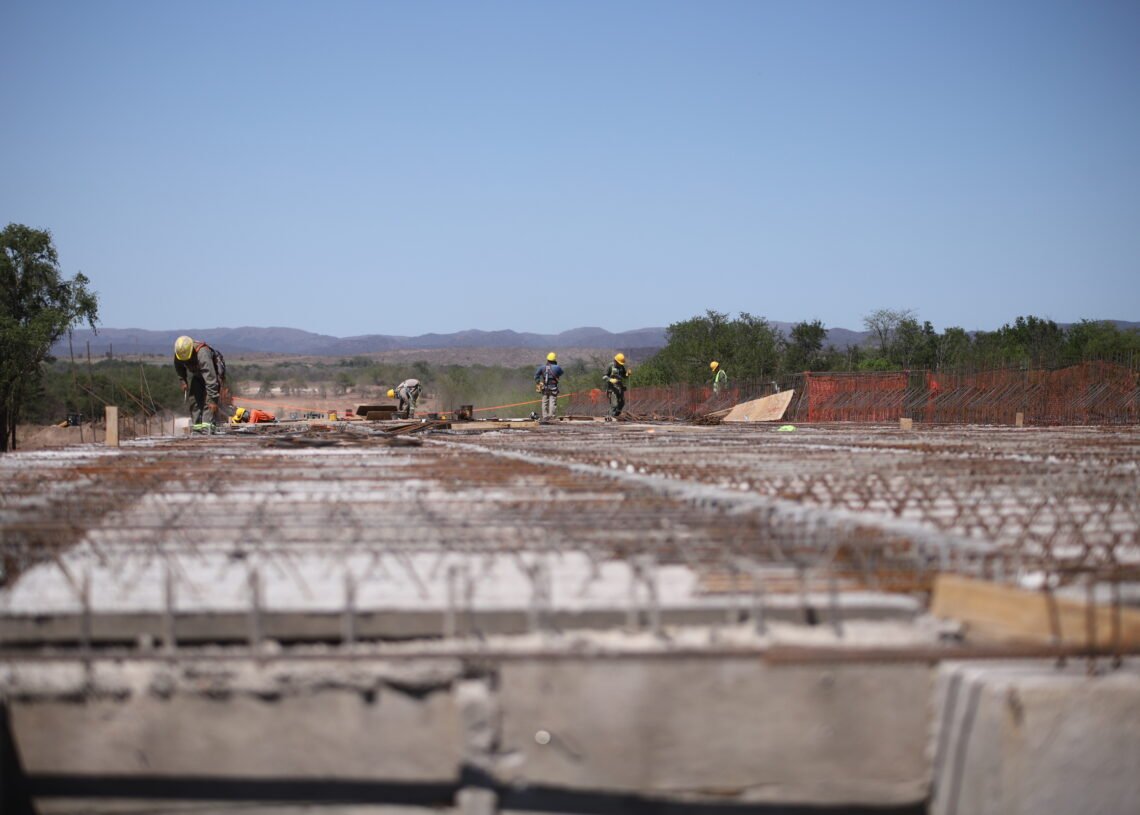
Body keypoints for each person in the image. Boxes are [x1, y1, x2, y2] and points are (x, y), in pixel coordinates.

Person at [174, 335, 229, 426]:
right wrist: (183, 380)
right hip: (198, 375)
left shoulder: (202, 353)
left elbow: (211, 379)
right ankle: (197, 427)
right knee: (194, 401)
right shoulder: (179, 353)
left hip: (213, 375)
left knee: (209, 403)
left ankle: (207, 427)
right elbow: (179, 366)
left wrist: (212, 400)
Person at [534, 352, 565, 423]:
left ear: (547, 359)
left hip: (545, 387)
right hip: (553, 387)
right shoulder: (557, 367)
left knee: (544, 402)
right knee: (552, 402)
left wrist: (538, 382)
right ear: (554, 360)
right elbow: (561, 373)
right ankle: (552, 416)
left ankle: (545, 416)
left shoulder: (542, 367)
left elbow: (536, 376)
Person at [603, 353, 630, 418]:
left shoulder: (621, 367)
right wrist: (610, 380)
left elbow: (624, 376)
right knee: (614, 405)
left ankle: (616, 416)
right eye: (619, 363)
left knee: (622, 403)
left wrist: (627, 374)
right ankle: (610, 417)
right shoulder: (610, 366)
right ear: (615, 361)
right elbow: (604, 377)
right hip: (612, 389)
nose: (620, 364)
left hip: (620, 388)